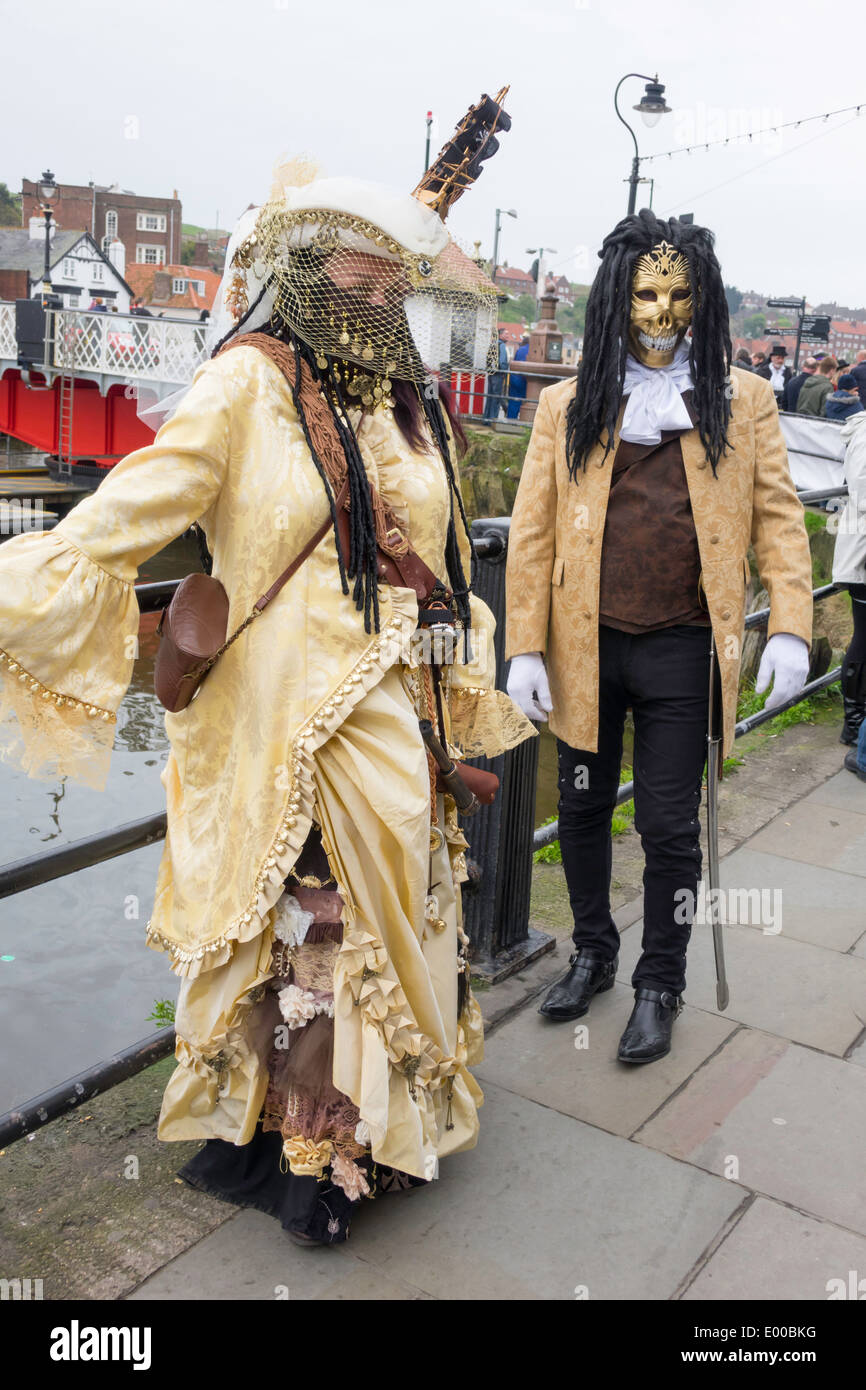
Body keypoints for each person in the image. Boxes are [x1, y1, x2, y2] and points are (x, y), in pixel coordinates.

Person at [0, 133, 534, 1243]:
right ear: (299, 270)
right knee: (312, 931)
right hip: (283, 728)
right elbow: (143, 499)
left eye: (395, 274)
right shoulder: (243, 384)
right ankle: (307, 1157)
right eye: (358, 270)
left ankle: (377, 1136)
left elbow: (434, 554)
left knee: (396, 922)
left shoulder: (403, 397)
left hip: (399, 714)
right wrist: (46, 573)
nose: (381, 291)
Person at [505, 209, 812, 1065]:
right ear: (617, 297)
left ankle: (659, 981)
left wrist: (790, 622)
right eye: (646, 292)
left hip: (682, 645)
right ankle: (595, 952)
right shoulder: (568, 405)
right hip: (585, 645)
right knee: (579, 805)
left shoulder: (742, 401)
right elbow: (530, 534)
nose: (662, 309)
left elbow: (780, 519)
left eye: (680, 293)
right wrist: (524, 644)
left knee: (672, 826)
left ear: (703, 299)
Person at [831, 405, 866, 749]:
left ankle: (857, 721)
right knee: (863, 639)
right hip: (862, 558)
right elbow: (862, 490)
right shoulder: (865, 433)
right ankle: (854, 723)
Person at [756, 343, 792, 407]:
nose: (780, 360)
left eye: (782, 358)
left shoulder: (787, 371)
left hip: (780, 404)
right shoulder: (762, 371)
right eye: (778, 358)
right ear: (772, 358)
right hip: (764, 403)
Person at [484, 328, 508, 421]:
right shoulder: (501, 345)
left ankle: (486, 419)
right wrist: (504, 373)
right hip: (498, 374)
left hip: (491, 373)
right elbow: (502, 362)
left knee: (489, 397)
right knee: (496, 398)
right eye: (506, 334)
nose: (508, 336)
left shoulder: (492, 344)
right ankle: (493, 419)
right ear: (500, 335)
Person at [506, 333, 529, 419]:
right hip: (523, 380)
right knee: (525, 402)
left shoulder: (520, 350)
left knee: (513, 401)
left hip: (514, 378)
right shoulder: (532, 350)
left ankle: (510, 420)